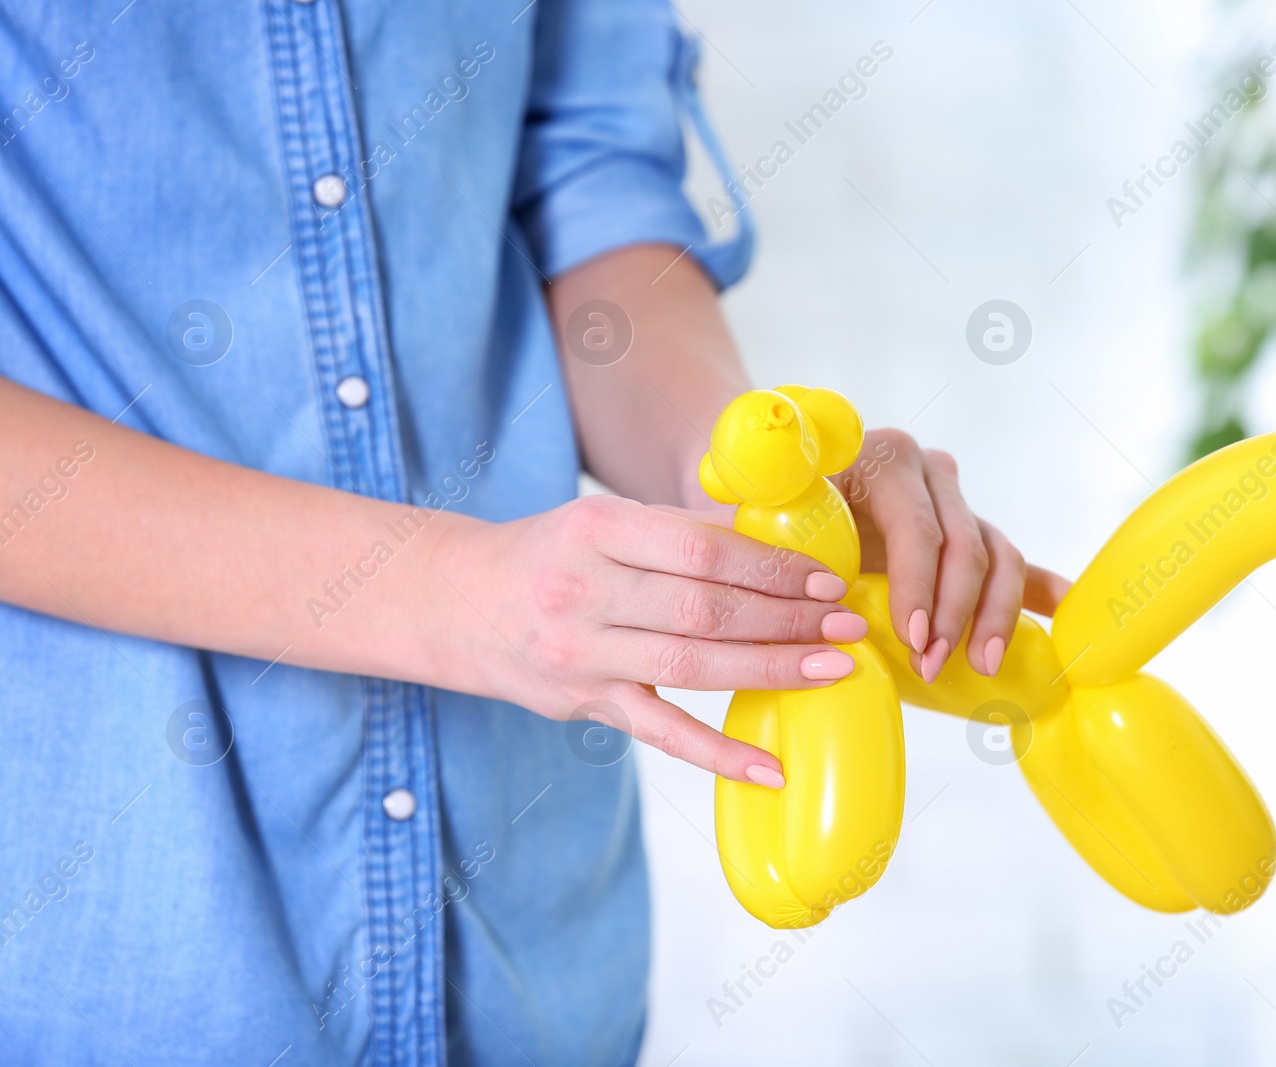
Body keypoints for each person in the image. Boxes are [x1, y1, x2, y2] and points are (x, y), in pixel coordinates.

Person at [0, 1, 1065, 1062]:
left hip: (537, 961)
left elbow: (586, 182)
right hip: (113, 945)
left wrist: (746, 479)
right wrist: (450, 592)